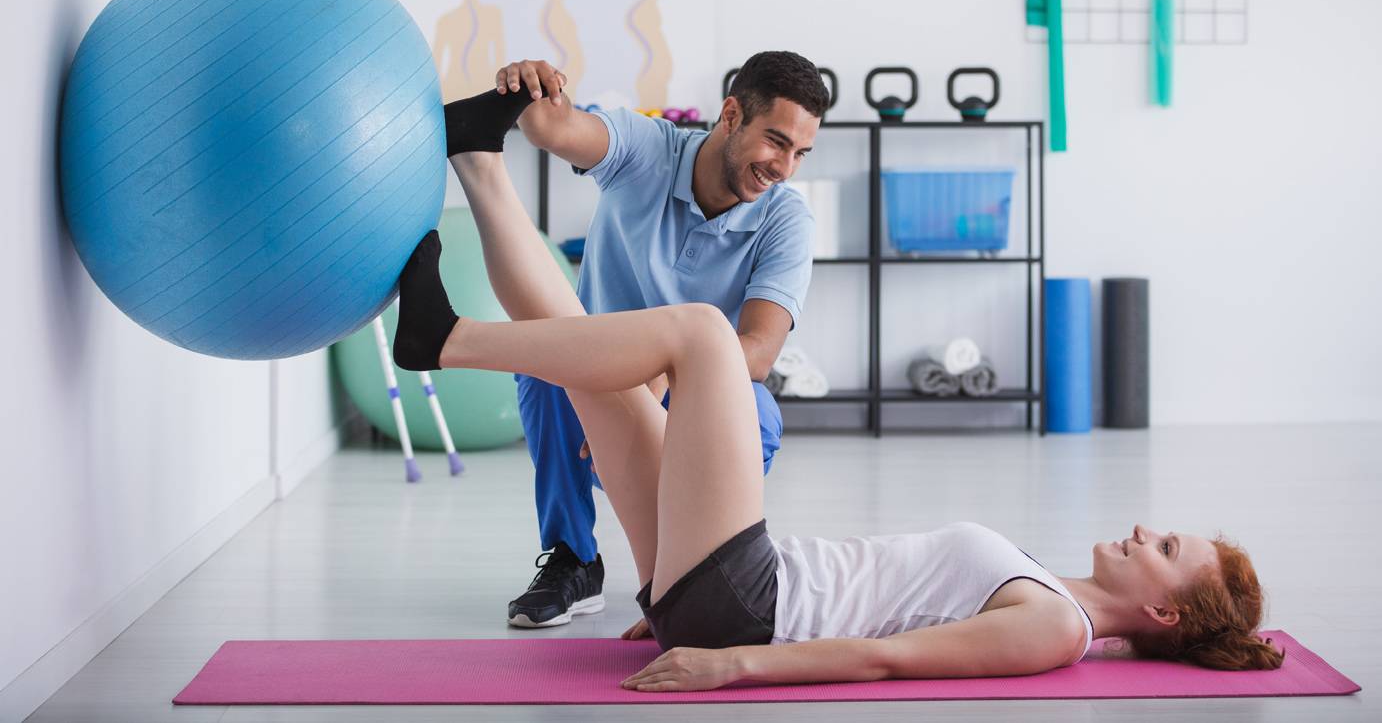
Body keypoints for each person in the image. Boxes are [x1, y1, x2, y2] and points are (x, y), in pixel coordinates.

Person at [391, 92, 1283, 692]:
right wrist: (680, 616)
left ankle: (447, 341)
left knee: (703, 331)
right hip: (726, 588)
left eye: (1165, 545)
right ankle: (476, 158)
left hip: (749, 601)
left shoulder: (1054, 629)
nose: (1144, 529)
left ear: (1165, 603)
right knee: (577, 353)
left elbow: (888, 657)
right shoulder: (1067, 599)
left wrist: (728, 663)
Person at [484, 52, 828, 630]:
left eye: (800, 153)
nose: (784, 167)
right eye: (775, 142)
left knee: (759, 417)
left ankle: (686, 559)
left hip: (681, 394)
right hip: (585, 378)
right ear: (731, 114)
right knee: (541, 364)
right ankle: (574, 559)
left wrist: (661, 372)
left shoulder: (786, 219)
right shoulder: (647, 149)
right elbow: (557, 129)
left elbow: (760, 352)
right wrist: (533, 94)